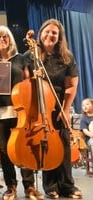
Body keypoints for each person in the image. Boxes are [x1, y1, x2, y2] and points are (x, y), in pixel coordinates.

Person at [0, 25, 43, 200]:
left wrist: (35, 77)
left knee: (25, 148)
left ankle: (29, 187)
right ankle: (11, 186)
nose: (2, 39)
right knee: (5, 151)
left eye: (5, 36)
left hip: (20, 111)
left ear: (11, 39)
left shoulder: (21, 59)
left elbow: (29, 81)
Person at [24, 18, 82, 199]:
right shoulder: (30, 55)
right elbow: (26, 84)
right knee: (46, 145)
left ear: (59, 37)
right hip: (41, 106)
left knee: (63, 144)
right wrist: (34, 77)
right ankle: (50, 186)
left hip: (59, 104)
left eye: (54, 33)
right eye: (47, 32)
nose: (50, 35)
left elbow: (72, 85)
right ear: (40, 34)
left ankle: (68, 185)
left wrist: (65, 109)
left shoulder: (66, 57)